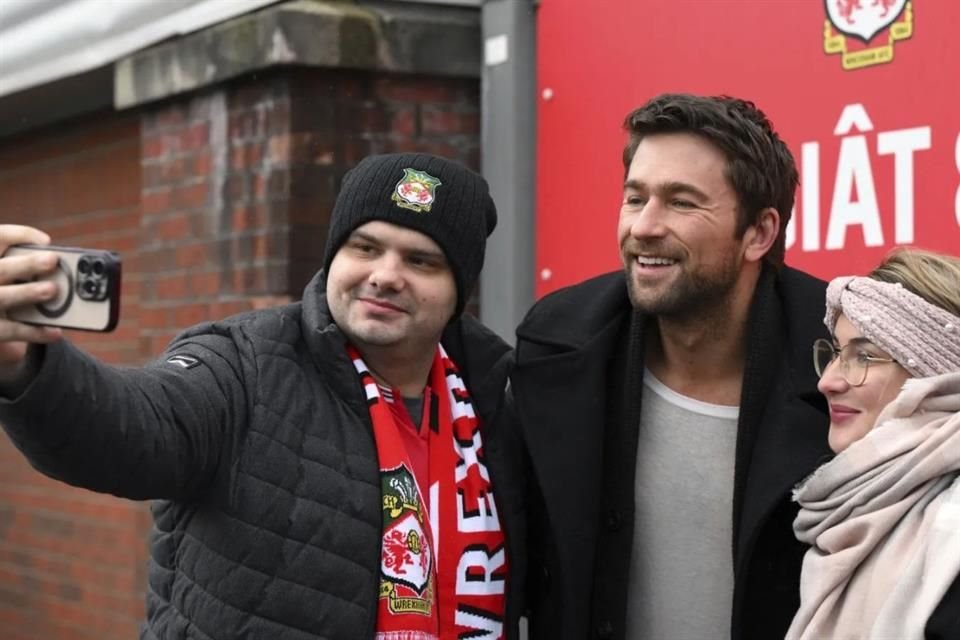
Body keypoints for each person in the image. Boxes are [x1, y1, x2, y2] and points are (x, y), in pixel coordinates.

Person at [0, 153, 527, 639]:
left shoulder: (500, 397)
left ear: (459, 289)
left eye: (421, 261)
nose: (385, 276)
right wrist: (26, 363)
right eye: (364, 247)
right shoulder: (241, 363)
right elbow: (132, 426)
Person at [511, 93, 832, 639]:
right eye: (635, 199)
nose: (645, 227)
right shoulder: (561, 348)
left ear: (759, 233)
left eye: (682, 203)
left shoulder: (841, 365)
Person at [786, 248, 960, 640]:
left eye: (864, 356)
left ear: (935, 375)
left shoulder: (951, 528)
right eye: (834, 353)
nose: (827, 381)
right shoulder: (847, 517)